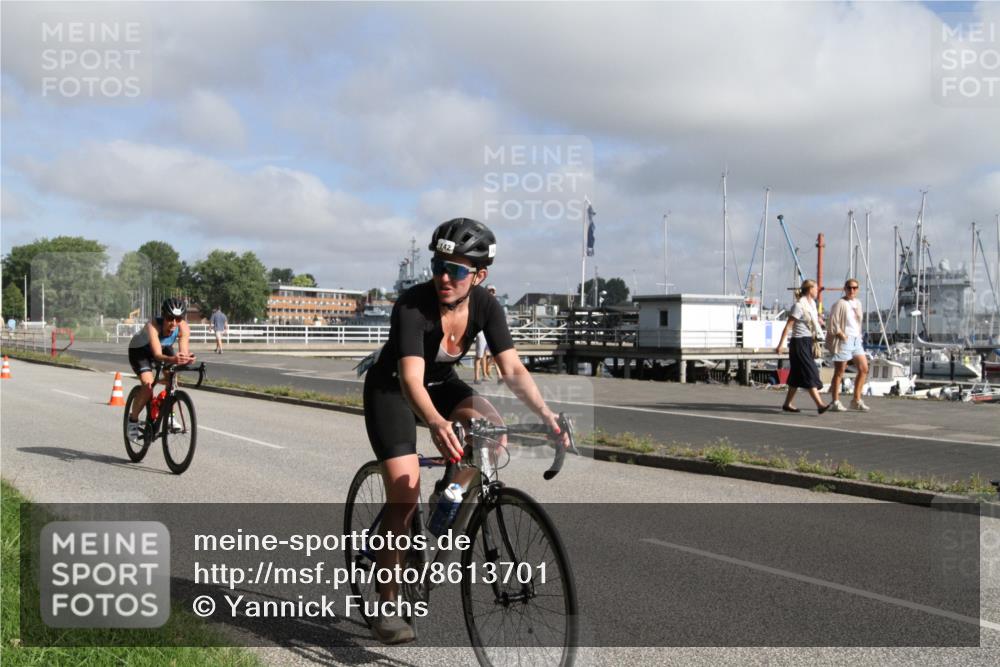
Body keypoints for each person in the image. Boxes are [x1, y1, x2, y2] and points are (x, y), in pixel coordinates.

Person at [362, 217, 569, 644]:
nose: (444, 277)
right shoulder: (413, 307)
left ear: (479, 275)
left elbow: (512, 369)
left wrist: (547, 414)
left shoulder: (487, 307)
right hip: (393, 390)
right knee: (403, 494)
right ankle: (387, 604)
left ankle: (449, 494)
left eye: (456, 270)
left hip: (441, 384)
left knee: (493, 431)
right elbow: (411, 381)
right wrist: (437, 423)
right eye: (439, 266)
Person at [126, 298, 196, 441]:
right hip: (140, 351)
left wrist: (187, 358)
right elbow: (157, 355)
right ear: (163, 316)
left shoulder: (183, 328)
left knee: (173, 379)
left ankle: (169, 415)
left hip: (163, 348)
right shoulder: (153, 325)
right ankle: (132, 420)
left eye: (178, 319)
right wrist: (173, 359)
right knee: (148, 386)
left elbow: (183, 352)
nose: (174, 323)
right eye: (170, 318)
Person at [775, 279, 831, 414]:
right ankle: (820, 404)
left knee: (796, 375)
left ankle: (787, 404)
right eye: (816, 288)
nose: (817, 291)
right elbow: (788, 326)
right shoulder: (799, 306)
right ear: (810, 289)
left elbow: (812, 321)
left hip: (807, 341)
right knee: (809, 372)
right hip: (798, 343)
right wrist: (781, 344)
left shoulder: (812, 305)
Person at [826, 279, 870, 412]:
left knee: (864, 368)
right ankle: (835, 401)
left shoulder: (858, 303)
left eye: (855, 288)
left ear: (858, 289)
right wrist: (841, 335)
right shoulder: (840, 303)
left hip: (856, 340)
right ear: (845, 289)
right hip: (844, 339)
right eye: (849, 288)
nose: (852, 290)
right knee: (840, 371)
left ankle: (856, 400)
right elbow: (832, 322)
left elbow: (858, 322)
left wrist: (859, 336)